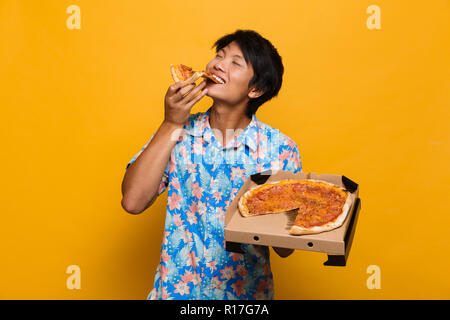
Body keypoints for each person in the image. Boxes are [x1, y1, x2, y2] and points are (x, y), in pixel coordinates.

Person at [121, 29, 302, 300]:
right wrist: (170, 123)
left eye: (235, 62)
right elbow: (133, 201)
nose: (218, 64)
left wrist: (272, 205)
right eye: (219, 55)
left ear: (256, 89)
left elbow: (286, 249)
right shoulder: (176, 131)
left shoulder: (279, 149)